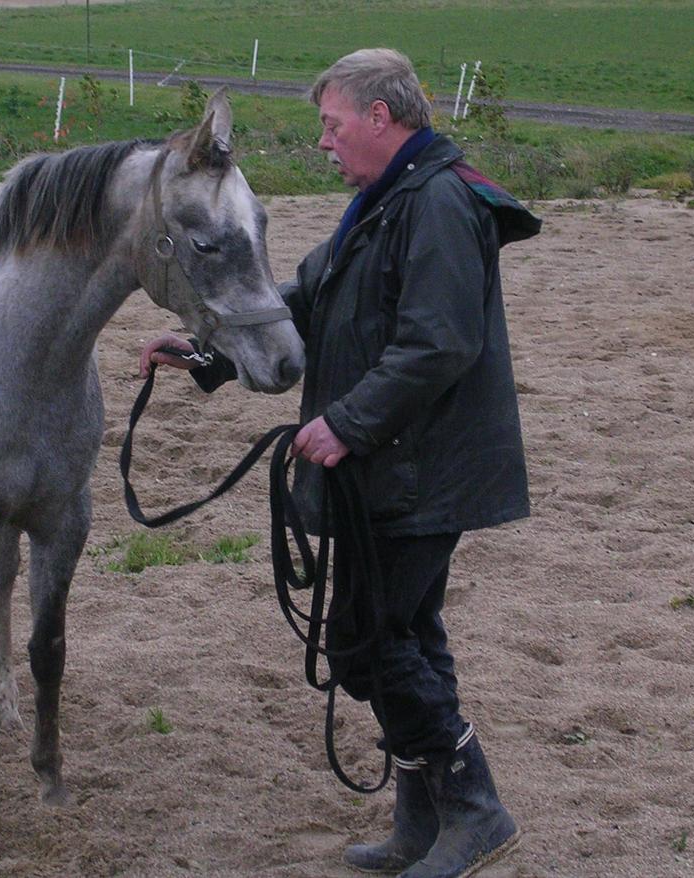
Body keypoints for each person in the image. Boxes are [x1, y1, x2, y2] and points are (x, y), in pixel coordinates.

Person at [140, 48, 539, 878]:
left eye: (332, 124)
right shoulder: (382, 202)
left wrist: (347, 423)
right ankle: (422, 823)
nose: (325, 142)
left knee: (366, 640)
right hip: (395, 468)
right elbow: (309, 297)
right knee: (405, 632)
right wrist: (210, 354)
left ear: (380, 120)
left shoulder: (435, 205)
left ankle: (475, 809)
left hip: (422, 469)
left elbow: (440, 343)